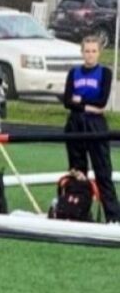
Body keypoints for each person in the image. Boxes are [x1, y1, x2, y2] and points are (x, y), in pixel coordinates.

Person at [62, 35, 120, 223]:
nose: (90, 55)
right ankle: (77, 211)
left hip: (96, 125)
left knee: (103, 172)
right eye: (87, 51)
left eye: (94, 51)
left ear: (99, 53)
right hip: (75, 124)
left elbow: (101, 102)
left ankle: (113, 217)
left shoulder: (105, 73)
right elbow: (67, 101)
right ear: (82, 52)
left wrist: (80, 102)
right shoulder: (74, 73)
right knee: (77, 171)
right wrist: (86, 106)